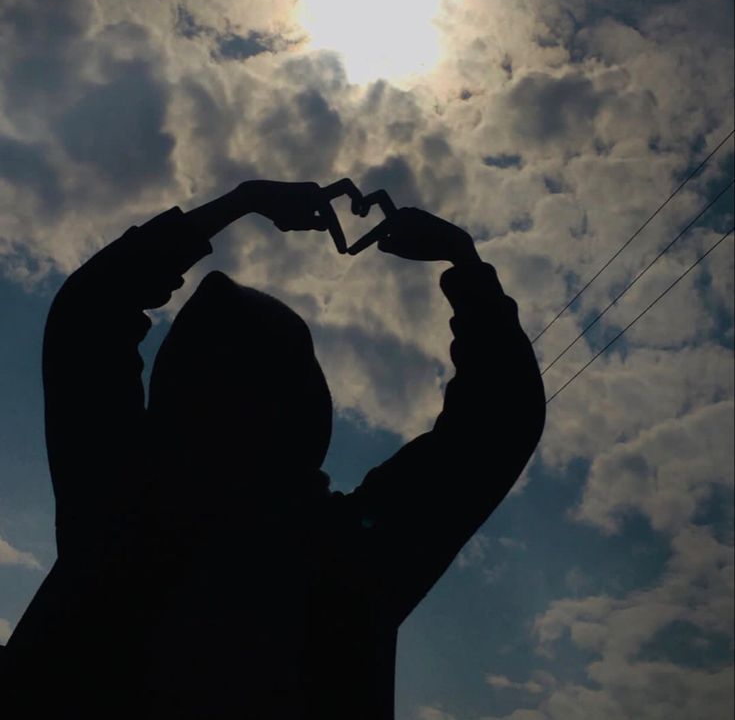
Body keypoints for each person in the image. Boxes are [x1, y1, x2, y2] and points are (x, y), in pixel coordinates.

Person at [2, 179, 545, 718]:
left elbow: (89, 314)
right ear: (311, 412)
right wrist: (464, 264)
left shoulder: (120, 494)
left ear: (173, 391)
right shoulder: (348, 551)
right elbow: (498, 422)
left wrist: (242, 202)